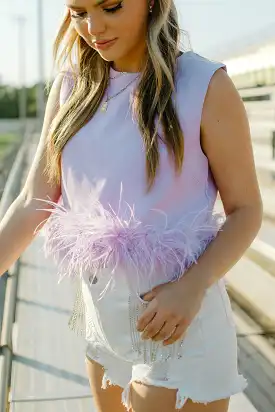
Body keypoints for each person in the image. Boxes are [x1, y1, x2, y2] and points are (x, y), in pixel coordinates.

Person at [0, 0, 263, 411]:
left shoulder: (203, 84)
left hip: (178, 326)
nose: (93, 27)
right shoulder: (71, 87)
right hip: (100, 324)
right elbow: (34, 200)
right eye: (78, 12)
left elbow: (246, 210)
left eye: (111, 7)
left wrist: (191, 287)